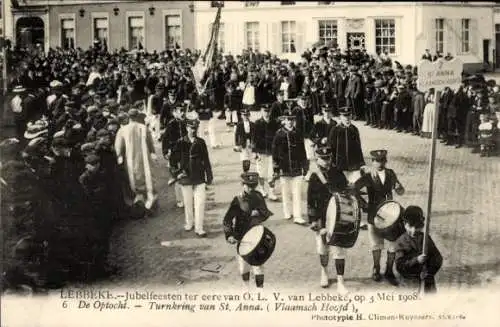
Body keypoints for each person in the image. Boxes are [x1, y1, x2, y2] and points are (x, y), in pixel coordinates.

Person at [353, 149, 405, 285]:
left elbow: (401, 190)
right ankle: (376, 268)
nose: (379, 163)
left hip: (390, 215)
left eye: (382, 160)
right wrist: (362, 204)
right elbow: (354, 189)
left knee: (392, 244)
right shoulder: (368, 176)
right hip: (374, 215)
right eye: (377, 161)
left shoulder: (390, 173)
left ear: (385, 161)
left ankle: (389, 270)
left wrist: (399, 188)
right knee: (376, 245)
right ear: (372, 162)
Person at [307, 146, 350, 293]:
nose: (326, 161)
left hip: (337, 216)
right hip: (321, 218)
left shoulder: (338, 173)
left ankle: (340, 281)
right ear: (317, 159)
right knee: (323, 248)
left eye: (328, 158)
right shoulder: (314, 177)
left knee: (339, 249)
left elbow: (346, 192)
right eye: (323, 159)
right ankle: (324, 272)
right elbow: (311, 200)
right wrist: (313, 220)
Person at [223, 172, 273, 288]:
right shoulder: (237, 200)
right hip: (241, 236)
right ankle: (247, 289)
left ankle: (260, 291)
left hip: (257, 235)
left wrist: (259, 213)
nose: (251, 188)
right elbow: (227, 219)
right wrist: (229, 235)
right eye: (248, 186)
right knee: (244, 266)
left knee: (258, 264)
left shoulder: (258, 196)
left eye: (253, 186)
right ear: (242, 184)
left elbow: (266, 213)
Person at [170, 118, 213, 237]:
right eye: (191, 128)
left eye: (195, 128)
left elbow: (206, 160)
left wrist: (209, 175)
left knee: (200, 203)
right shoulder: (180, 142)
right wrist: (175, 173)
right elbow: (172, 160)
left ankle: (199, 228)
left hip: (199, 177)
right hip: (185, 177)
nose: (193, 130)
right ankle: (189, 222)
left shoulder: (201, 142)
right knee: (188, 202)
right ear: (186, 128)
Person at [114, 108, 158, 213]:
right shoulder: (143, 128)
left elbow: (118, 148)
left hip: (131, 160)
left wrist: (119, 157)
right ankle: (151, 204)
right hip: (144, 159)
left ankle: (139, 204)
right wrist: (152, 153)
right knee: (148, 179)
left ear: (128, 117)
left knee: (134, 180)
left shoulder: (122, 130)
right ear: (138, 116)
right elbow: (150, 144)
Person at [272, 108, 308, 225]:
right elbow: (275, 153)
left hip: (297, 168)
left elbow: (303, 151)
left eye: (292, 119)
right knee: (286, 192)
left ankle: (297, 215)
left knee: (297, 192)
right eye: (288, 119)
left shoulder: (298, 133)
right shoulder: (279, 134)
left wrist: (305, 165)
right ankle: (287, 211)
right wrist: (276, 169)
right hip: (284, 168)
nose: (290, 122)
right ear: (284, 120)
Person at [395, 206, 443, 294]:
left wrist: (429, 272)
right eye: (410, 226)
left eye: (417, 227)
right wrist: (416, 260)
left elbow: (438, 258)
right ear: (404, 224)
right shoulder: (400, 242)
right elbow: (400, 266)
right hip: (409, 285)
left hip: (427, 285)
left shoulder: (426, 238)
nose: (413, 230)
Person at [327, 107, 365, 185]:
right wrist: (332, 163)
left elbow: (358, 147)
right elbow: (330, 147)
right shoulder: (335, 130)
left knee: (355, 186)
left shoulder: (354, 129)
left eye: (348, 116)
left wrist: (361, 163)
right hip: (340, 165)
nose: (347, 118)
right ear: (340, 117)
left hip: (353, 165)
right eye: (344, 116)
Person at [162, 105, 187, 208]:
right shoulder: (171, 124)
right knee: (177, 174)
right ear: (174, 113)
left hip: (185, 151)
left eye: (182, 111)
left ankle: (187, 197)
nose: (181, 113)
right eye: (178, 111)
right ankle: (179, 199)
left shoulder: (186, 123)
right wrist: (165, 151)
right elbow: (165, 139)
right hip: (175, 152)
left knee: (185, 172)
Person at [253, 104, 279, 200]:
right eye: (265, 111)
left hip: (272, 151)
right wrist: (254, 152)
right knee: (261, 172)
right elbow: (254, 138)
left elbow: (277, 137)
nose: (267, 113)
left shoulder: (274, 123)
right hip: (261, 151)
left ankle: (271, 192)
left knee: (272, 172)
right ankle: (262, 189)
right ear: (261, 111)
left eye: (268, 111)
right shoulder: (257, 123)